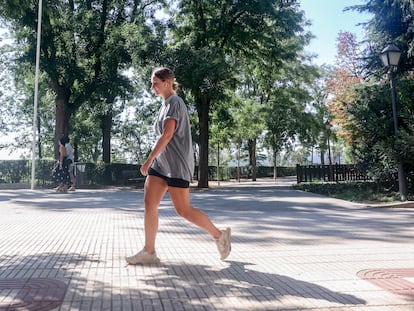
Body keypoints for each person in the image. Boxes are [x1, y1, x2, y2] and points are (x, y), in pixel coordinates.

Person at [126, 67, 231, 265]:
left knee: (183, 210)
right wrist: (154, 161)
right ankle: (149, 252)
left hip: (177, 166)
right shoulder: (164, 105)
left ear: (166, 82)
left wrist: (148, 160)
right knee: (150, 204)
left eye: (155, 83)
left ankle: (219, 235)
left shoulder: (175, 102)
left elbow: (167, 134)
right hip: (162, 165)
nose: (152, 87)